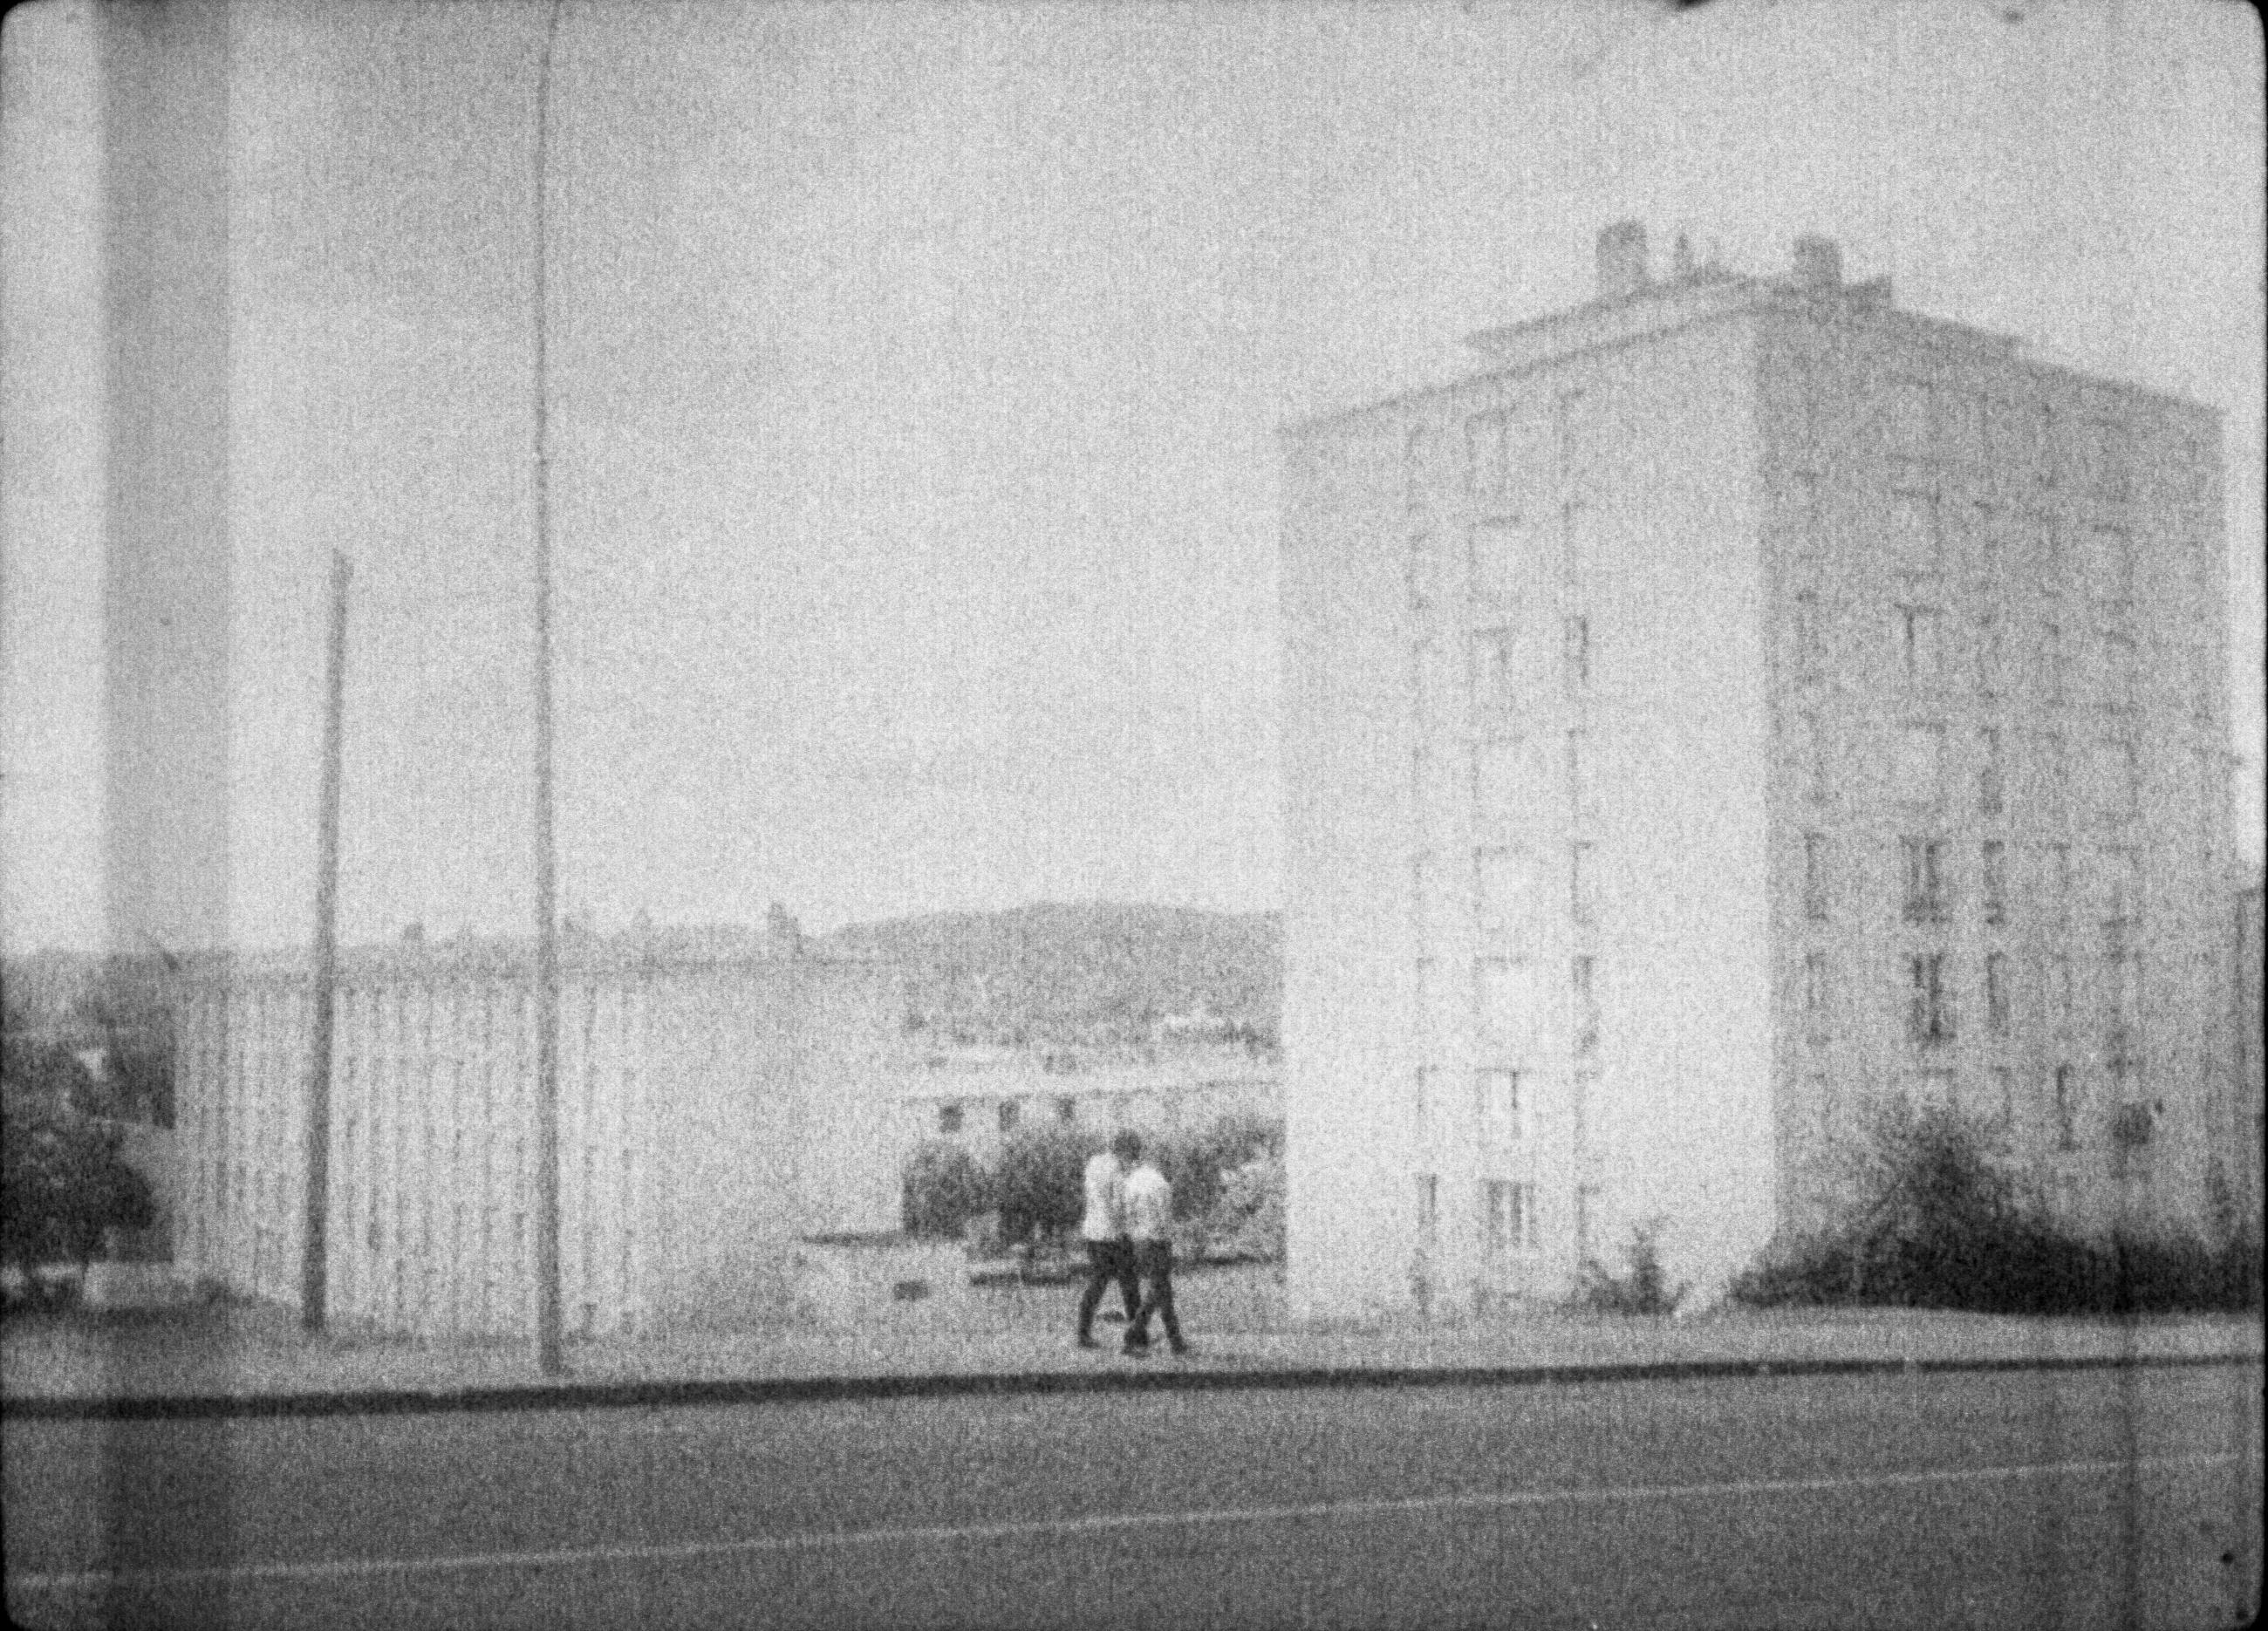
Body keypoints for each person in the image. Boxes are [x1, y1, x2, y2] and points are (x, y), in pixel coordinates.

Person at [1075, 1130, 1144, 1349]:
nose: (1134, 1159)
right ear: (1125, 1151)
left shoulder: (1093, 1163)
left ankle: (1083, 1333)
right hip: (1114, 1234)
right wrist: (1130, 1227)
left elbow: (1089, 1197)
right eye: (1133, 1154)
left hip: (1093, 1232)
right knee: (1129, 1284)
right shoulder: (1118, 1169)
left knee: (1097, 1283)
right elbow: (1117, 1206)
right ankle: (1136, 1335)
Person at [1121, 1149, 1188, 1357]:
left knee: (1161, 1291)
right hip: (1156, 1241)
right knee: (1158, 1290)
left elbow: (1126, 1212)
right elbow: (1163, 1219)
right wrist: (1169, 1242)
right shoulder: (1161, 1185)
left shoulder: (1132, 1181)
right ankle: (1134, 1333)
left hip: (1139, 1239)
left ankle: (1176, 1340)